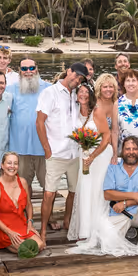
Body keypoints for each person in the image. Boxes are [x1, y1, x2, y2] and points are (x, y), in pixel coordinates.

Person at [68, 136, 138, 256]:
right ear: (122, 150)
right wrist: (133, 195)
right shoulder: (114, 166)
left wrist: (126, 203)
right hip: (119, 213)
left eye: (134, 149)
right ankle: (128, 230)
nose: (131, 152)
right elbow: (108, 194)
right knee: (102, 239)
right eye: (127, 149)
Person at [36, 63, 89, 239]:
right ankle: (43, 231)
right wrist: (47, 150)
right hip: (56, 154)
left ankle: (68, 222)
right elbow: (39, 122)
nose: (77, 80)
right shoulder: (50, 93)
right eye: (75, 75)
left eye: (80, 79)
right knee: (49, 193)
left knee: (74, 192)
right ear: (68, 71)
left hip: (74, 154)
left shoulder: (77, 95)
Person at [68, 80, 116, 242]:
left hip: (100, 155)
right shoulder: (74, 111)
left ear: (90, 95)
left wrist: (93, 156)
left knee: (97, 189)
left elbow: (106, 136)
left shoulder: (97, 111)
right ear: (76, 95)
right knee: (85, 189)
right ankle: (85, 230)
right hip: (84, 155)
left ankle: (98, 228)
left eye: (86, 92)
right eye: (80, 92)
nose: (83, 95)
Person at [7, 58, 51, 200]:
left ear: (37, 69)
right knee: (22, 187)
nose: (28, 72)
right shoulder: (10, 89)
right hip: (20, 149)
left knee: (49, 187)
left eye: (31, 68)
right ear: (19, 71)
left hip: (44, 148)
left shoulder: (49, 89)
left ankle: (48, 214)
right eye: (24, 68)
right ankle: (26, 213)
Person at [0, 152, 45, 254]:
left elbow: (28, 205)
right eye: (9, 163)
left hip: (21, 224)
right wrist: (9, 232)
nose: (12, 166)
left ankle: (15, 242)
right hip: (3, 227)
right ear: (2, 165)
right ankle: (3, 241)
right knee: (26, 250)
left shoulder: (22, 182)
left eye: (15, 163)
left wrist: (30, 222)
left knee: (40, 245)